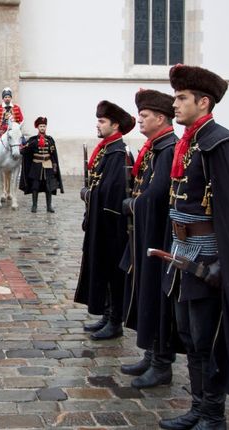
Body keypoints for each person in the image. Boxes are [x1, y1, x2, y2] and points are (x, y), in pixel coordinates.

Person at [158, 64, 229, 430]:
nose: (175, 104)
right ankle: (197, 408)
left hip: (207, 257)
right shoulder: (190, 143)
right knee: (189, 336)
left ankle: (213, 415)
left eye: (181, 98)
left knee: (206, 338)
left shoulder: (221, 143)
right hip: (182, 254)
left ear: (203, 102)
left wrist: (224, 262)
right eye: (175, 97)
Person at [119, 89, 178, 389]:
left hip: (160, 235)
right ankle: (151, 352)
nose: (139, 121)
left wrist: (132, 205)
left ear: (161, 117)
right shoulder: (157, 147)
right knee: (147, 293)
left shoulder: (168, 149)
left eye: (144, 116)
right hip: (147, 231)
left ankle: (161, 362)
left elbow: (156, 194)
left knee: (157, 296)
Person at [74, 101, 134, 341]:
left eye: (102, 121)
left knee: (113, 274)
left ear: (115, 125)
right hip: (100, 224)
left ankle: (115, 320)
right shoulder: (106, 150)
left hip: (112, 227)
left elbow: (113, 192)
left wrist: (89, 195)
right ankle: (108, 314)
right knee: (103, 272)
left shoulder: (119, 154)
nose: (98, 125)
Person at [19, 116, 63, 213]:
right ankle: (34, 205)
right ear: (37, 127)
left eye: (44, 126)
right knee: (35, 186)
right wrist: (22, 147)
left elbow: (53, 154)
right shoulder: (33, 140)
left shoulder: (50, 140)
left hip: (48, 166)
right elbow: (24, 151)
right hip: (36, 166)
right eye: (41, 126)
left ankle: (49, 206)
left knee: (49, 187)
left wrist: (54, 164)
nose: (42, 128)